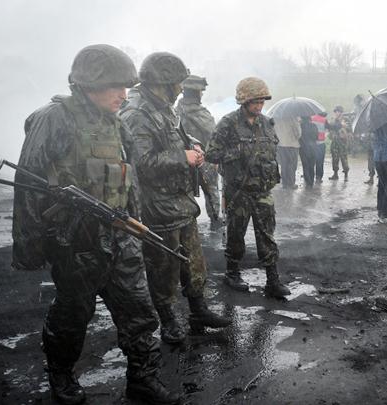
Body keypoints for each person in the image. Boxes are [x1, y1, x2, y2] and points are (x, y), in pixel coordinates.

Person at [12, 45, 180, 405]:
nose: (124, 94)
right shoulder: (55, 118)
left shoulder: (117, 124)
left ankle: (143, 379)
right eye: (116, 86)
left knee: (139, 311)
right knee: (73, 314)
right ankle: (61, 375)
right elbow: (27, 182)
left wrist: (136, 225)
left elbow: (128, 177)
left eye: (126, 87)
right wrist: (28, 246)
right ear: (89, 84)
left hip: (119, 236)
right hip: (76, 241)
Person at [120, 52, 230, 345]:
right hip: (157, 208)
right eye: (178, 83)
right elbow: (141, 163)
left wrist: (190, 143)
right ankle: (168, 322)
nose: (182, 89)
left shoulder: (164, 108)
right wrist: (183, 156)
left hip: (180, 202)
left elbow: (173, 139)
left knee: (194, 263)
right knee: (164, 269)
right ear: (163, 83)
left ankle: (199, 311)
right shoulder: (137, 113)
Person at [205, 77, 290, 298]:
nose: (259, 106)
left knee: (267, 236)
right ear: (243, 101)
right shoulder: (228, 123)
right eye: (255, 102)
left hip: (262, 191)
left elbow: (272, 150)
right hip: (238, 191)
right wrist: (238, 152)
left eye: (262, 101)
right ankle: (232, 274)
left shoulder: (266, 123)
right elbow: (211, 154)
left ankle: (273, 280)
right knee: (236, 234)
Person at [175, 75, 222, 231]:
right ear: (196, 93)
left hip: (184, 160)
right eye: (201, 91)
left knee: (185, 193)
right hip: (203, 158)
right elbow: (214, 135)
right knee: (212, 191)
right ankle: (215, 219)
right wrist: (214, 159)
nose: (202, 94)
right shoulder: (200, 112)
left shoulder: (175, 111)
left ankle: (186, 223)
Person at [274, 116, 301, 189]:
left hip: (281, 145)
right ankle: (291, 183)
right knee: (292, 165)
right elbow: (298, 133)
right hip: (292, 145)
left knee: (284, 164)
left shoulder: (276, 119)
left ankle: (285, 184)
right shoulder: (292, 118)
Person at [327, 106, 351, 181]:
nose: (336, 113)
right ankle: (335, 174)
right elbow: (330, 128)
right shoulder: (333, 120)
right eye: (335, 111)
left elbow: (350, 129)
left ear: (341, 112)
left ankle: (346, 174)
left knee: (344, 158)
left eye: (338, 111)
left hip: (342, 142)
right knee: (335, 158)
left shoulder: (345, 119)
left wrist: (344, 126)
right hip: (334, 142)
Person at [299, 116, 318, 189]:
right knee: (312, 166)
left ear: (302, 118)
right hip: (313, 148)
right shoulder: (314, 126)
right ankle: (311, 182)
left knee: (305, 166)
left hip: (303, 148)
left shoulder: (300, 126)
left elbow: (298, 136)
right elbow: (317, 137)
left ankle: (308, 182)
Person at [311, 112, 328, 183]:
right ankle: (318, 177)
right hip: (321, 144)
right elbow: (329, 127)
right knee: (320, 161)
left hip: (312, 144)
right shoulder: (324, 120)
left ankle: (310, 176)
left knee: (311, 161)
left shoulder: (311, 118)